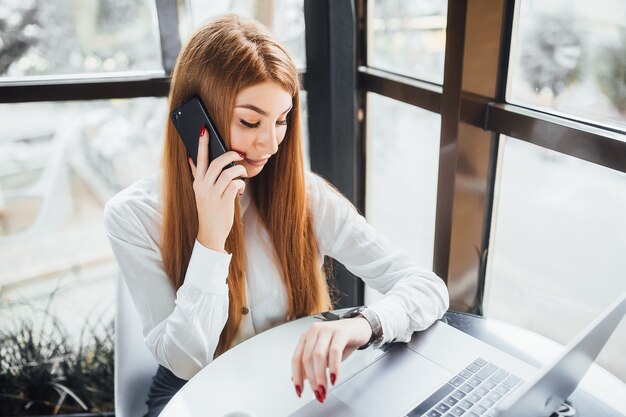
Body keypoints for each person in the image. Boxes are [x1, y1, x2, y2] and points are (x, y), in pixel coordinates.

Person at [104, 13, 449, 417]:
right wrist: (211, 239)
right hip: (194, 394)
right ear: (198, 119)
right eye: (250, 121)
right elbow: (186, 361)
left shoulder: (306, 197)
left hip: (288, 385)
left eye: (282, 120)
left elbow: (426, 287)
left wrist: (366, 323)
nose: (270, 143)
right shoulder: (133, 215)